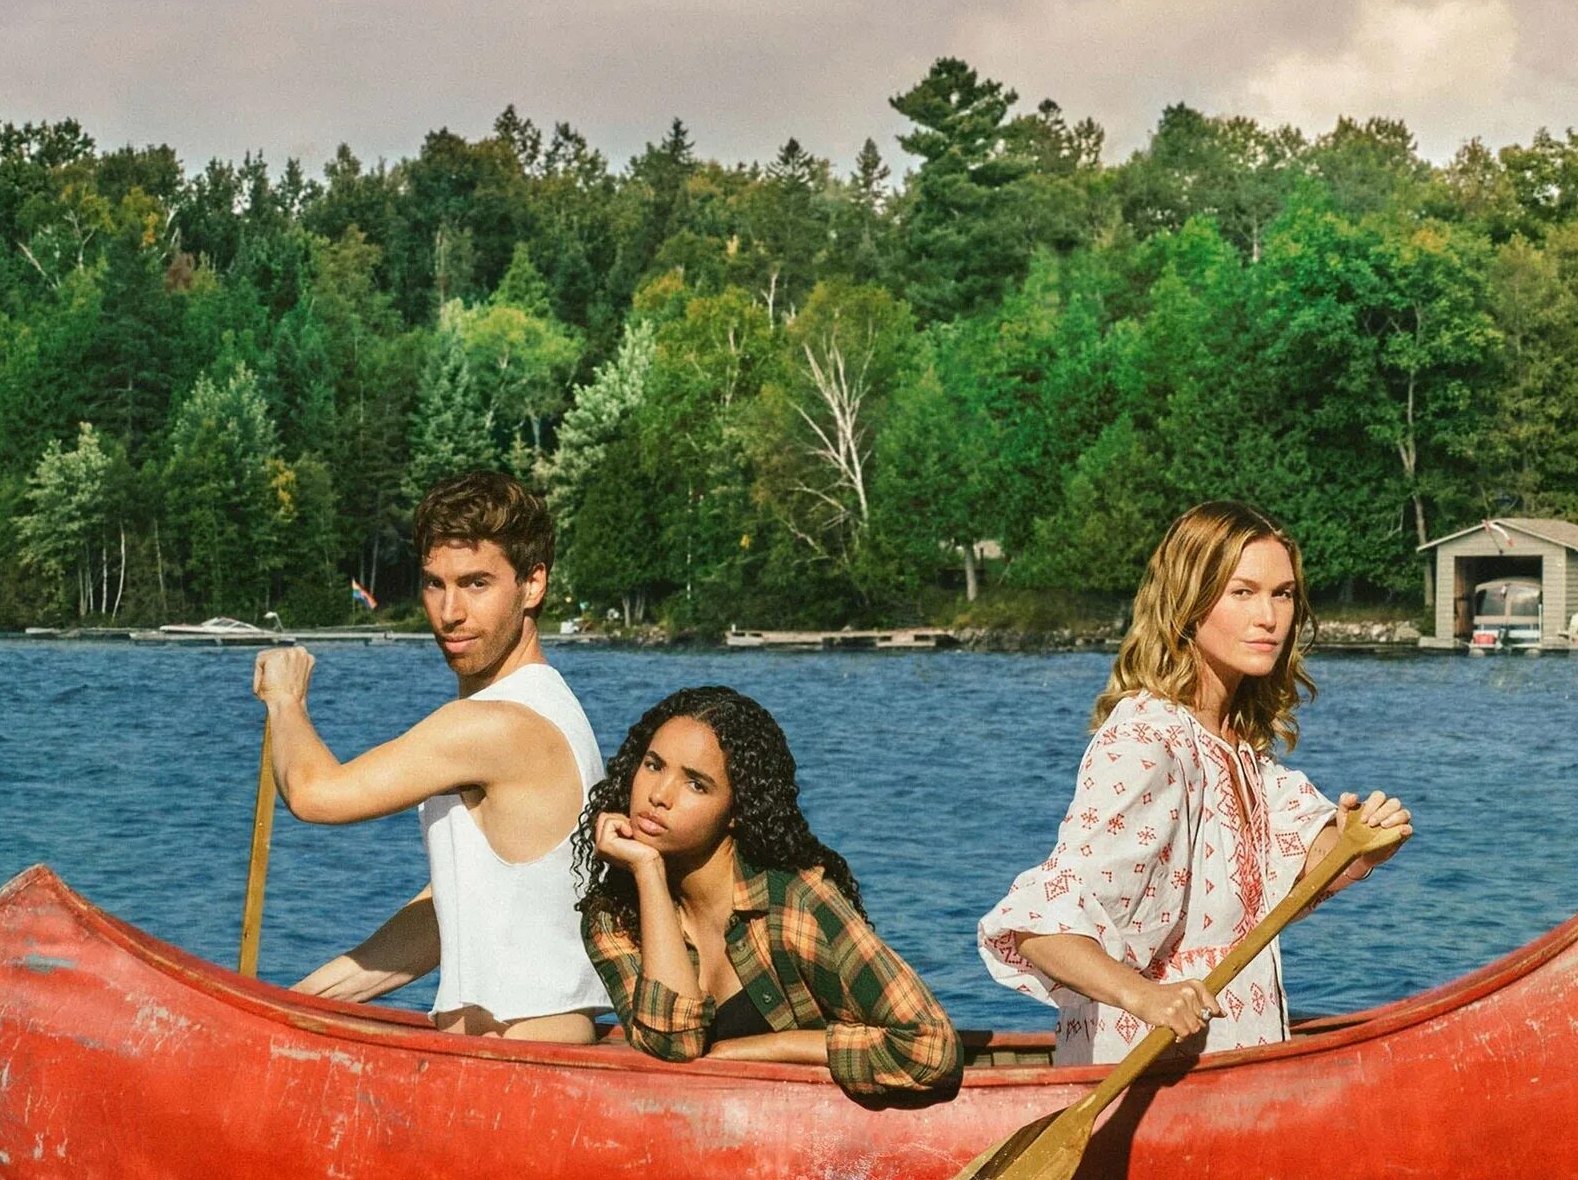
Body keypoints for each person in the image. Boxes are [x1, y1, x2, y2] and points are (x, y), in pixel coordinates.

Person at [977, 501, 1412, 1065]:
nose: (1270, 617)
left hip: (1239, 1064)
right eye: (1243, 592)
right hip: (1148, 1073)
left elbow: (1304, 864)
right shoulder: (1146, 742)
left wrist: (1363, 841)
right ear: (1189, 603)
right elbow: (1040, 925)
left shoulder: (1239, 746)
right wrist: (1146, 996)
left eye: (1283, 594)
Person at [252, 471, 612, 1043]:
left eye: (476, 584)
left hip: (527, 1064)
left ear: (533, 584)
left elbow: (314, 794)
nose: (449, 613)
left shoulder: (494, 725)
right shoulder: (546, 703)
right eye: (434, 584)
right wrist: (289, 1006)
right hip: (496, 1056)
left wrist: (285, 700)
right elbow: (456, 913)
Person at [575, 686, 962, 1100]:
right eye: (653, 765)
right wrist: (648, 871)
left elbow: (930, 1047)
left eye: (696, 785)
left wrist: (766, 1048)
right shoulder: (615, 917)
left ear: (737, 811)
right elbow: (672, 1046)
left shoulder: (794, 904)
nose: (658, 795)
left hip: (818, 1138)